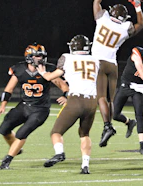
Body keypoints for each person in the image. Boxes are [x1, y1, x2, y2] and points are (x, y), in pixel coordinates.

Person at [92, 0, 143, 147]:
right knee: (109, 100)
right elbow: (141, 25)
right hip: (112, 65)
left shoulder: (102, 19)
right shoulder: (125, 27)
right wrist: (138, 7)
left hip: (98, 62)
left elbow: (96, 3)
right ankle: (127, 122)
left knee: (100, 97)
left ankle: (107, 126)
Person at [0, 43, 69, 170]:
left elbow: (64, 87)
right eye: (36, 56)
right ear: (29, 57)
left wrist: (66, 96)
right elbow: (9, 89)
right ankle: (16, 149)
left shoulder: (48, 70)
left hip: (40, 110)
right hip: (24, 106)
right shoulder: (19, 69)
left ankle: (6, 161)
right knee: (3, 129)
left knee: (22, 133)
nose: (40, 59)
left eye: (41, 56)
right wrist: (3, 105)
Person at [37, 35, 99, 174]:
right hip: (92, 102)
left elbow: (50, 77)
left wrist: (42, 71)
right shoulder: (95, 60)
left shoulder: (66, 57)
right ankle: (85, 166)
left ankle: (59, 153)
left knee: (56, 132)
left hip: (75, 100)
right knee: (84, 134)